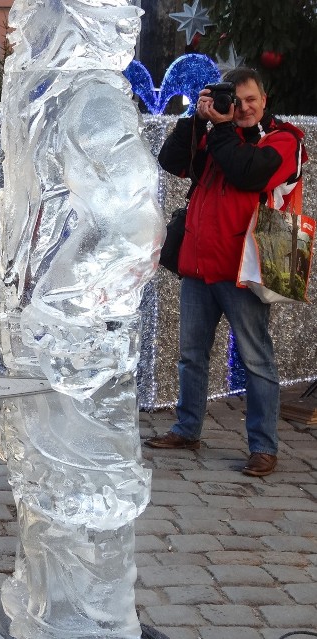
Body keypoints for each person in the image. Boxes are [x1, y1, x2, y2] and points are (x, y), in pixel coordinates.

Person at [146, 67, 307, 477]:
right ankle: (187, 430)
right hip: (200, 264)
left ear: (264, 100)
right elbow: (170, 160)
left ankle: (263, 448)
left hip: (245, 267)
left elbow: (248, 173)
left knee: (257, 360)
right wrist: (196, 119)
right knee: (191, 356)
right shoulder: (216, 133)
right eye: (237, 102)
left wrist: (218, 130)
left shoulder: (285, 139)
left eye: (251, 100)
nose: (244, 108)